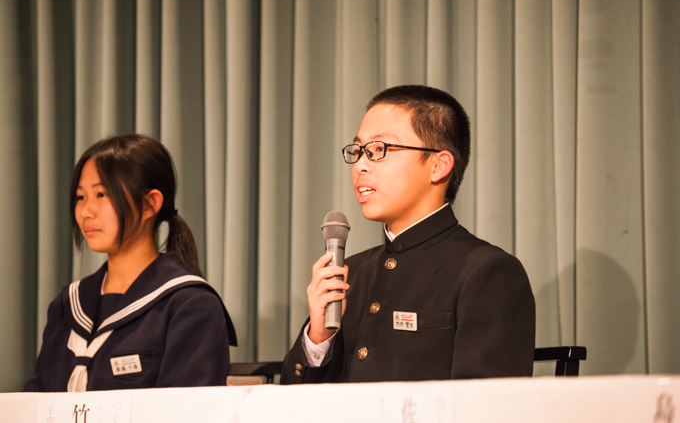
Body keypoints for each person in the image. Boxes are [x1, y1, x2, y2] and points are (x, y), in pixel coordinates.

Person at [281, 85, 535, 383]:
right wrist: (318, 337)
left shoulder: (487, 272)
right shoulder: (352, 272)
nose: (360, 166)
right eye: (359, 151)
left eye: (379, 150)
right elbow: (290, 401)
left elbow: (486, 406)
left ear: (438, 165)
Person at [25, 134, 237, 392]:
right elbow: (35, 403)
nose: (86, 211)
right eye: (81, 197)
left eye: (101, 194)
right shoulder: (67, 305)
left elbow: (187, 412)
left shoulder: (190, 305)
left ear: (150, 204)